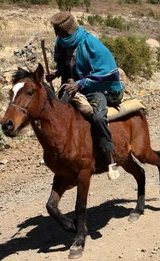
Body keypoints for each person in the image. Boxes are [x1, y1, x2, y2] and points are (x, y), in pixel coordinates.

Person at [46, 11, 124, 180]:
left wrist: (81, 83)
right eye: (56, 32)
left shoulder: (90, 43)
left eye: (59, 32)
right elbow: (64, 66)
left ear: (66, 31)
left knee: (97, 118)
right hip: (71, 88)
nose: (57, 35)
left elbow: (107, 70)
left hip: (96, 89)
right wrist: (55, 74)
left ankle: (108, 157)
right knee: (57, 116)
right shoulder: (61, 43)